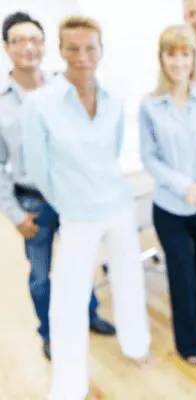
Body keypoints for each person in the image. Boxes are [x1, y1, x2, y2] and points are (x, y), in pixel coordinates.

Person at [20, 16, 151, 399]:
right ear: (60, 51)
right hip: (77, 214)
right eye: (73, 48)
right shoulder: (40, 104)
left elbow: (110, 152)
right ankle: (67, 387)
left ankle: (136, 345)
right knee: (67, 304)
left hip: (118, 205)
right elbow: (38, 169)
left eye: (90, 47)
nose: (82, 56)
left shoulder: (112, 98)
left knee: (129, 280)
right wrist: (68, 199)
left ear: (101, 50)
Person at [0, 11, 115, 362]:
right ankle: (49, 334)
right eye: (18, 40)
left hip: (72, 197)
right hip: (32, 203)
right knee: (40, 277)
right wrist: (16, 214)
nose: (28, 47)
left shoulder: (65, 90)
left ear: (45, 45)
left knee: (83, 264)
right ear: (6, 48)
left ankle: (90, 314)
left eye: (35, 39)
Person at [139, 25, 196, 366]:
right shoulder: (150, 105)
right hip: (171, 208)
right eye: (171, 54)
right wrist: (185, 187)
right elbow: (150, 158)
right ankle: (189, 343)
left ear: (194, 57)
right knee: (182, 275)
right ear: (161, 58)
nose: (178, 62)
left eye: (185, 54)